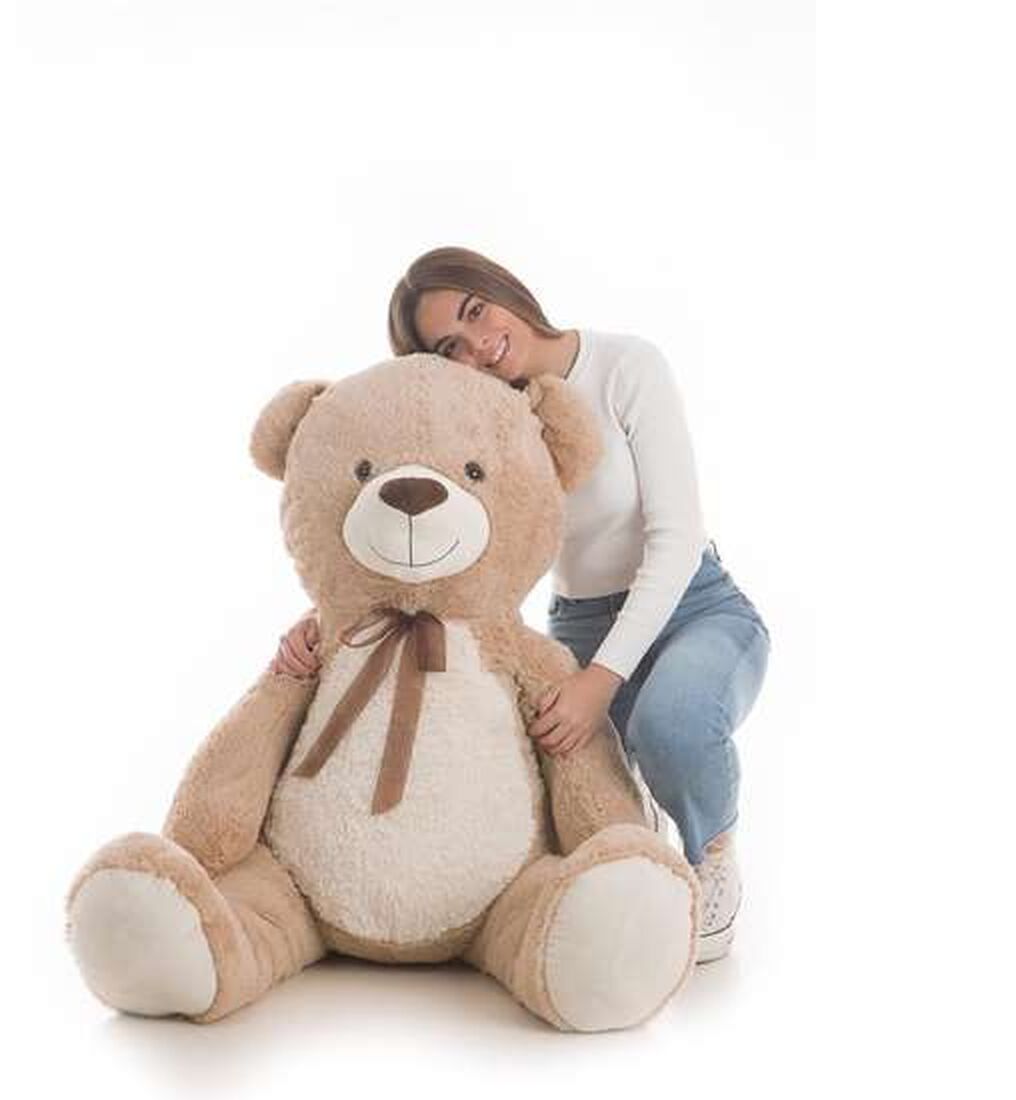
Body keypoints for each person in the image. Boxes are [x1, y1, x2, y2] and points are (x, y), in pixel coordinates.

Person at [270, 247, 770, 963]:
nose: (478, 344)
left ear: (500, 288)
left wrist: (601, 681)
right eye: (450, 346)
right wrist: (334, 622)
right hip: (580, 620)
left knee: (672, 723)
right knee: (557, 761)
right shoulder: (493, 418)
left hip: (693, 602)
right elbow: (465, 553)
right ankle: (637, 841)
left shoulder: (626, 366)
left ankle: (710, 852)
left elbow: (676, 539)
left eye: (475, 311)